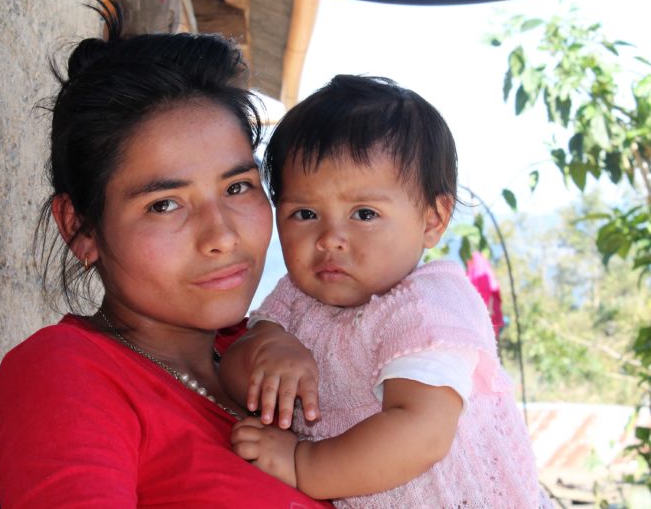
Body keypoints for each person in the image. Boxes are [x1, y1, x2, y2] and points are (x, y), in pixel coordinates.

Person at [0, 0, 331, 508]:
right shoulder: (65, 376)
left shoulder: (276, 353)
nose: (222, 236)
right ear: (80, 228)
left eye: (237, 188)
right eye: (165, 204)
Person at [223, 75, 551, 508]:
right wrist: (267, 349)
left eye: (364, 213)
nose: (330, 238)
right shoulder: (294, 299)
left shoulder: (428, 307)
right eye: (305, 213)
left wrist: (305, 464)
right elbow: (233, 373)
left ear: (433, 219)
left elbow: (422, 432)